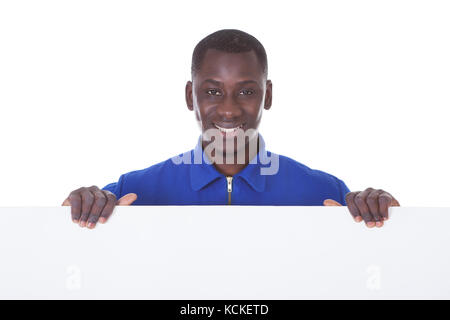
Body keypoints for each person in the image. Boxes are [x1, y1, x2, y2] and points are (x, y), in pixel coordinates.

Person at [62, 29, 400, 230]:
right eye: (211, 91)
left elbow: (387, 268)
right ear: (189, 96)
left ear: (267, 95)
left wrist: (387, 218)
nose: (228, 108)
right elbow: (60, 253)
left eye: (246, 91)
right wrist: (78, 208)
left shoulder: (323, 193)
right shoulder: (132, 192)